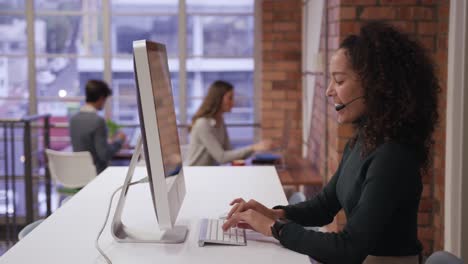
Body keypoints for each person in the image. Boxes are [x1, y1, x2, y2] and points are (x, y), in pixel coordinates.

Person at [222, 21, 440, 264]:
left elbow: (348, 249)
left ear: (376, 86)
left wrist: (273, 228)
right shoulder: (362, 140)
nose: (328, 91)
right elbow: (324, 206)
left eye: (339, 81)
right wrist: (273, 213)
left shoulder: (393, 156)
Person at [184, 80, 272, 166]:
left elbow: (229, 152)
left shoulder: (220, 121)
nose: (233, 102)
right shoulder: (202, 124)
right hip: (193, 175)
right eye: (230, 98)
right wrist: (253, 148)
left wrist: (255, 150)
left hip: (208, 173)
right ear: (218, 99)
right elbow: (221, 157)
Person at [69, 80, 126, 174]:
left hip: (78, 174)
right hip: (96, 175)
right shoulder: (98, 121)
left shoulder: (73, 119)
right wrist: (120, 140)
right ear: (101, 98)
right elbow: (105, 155)